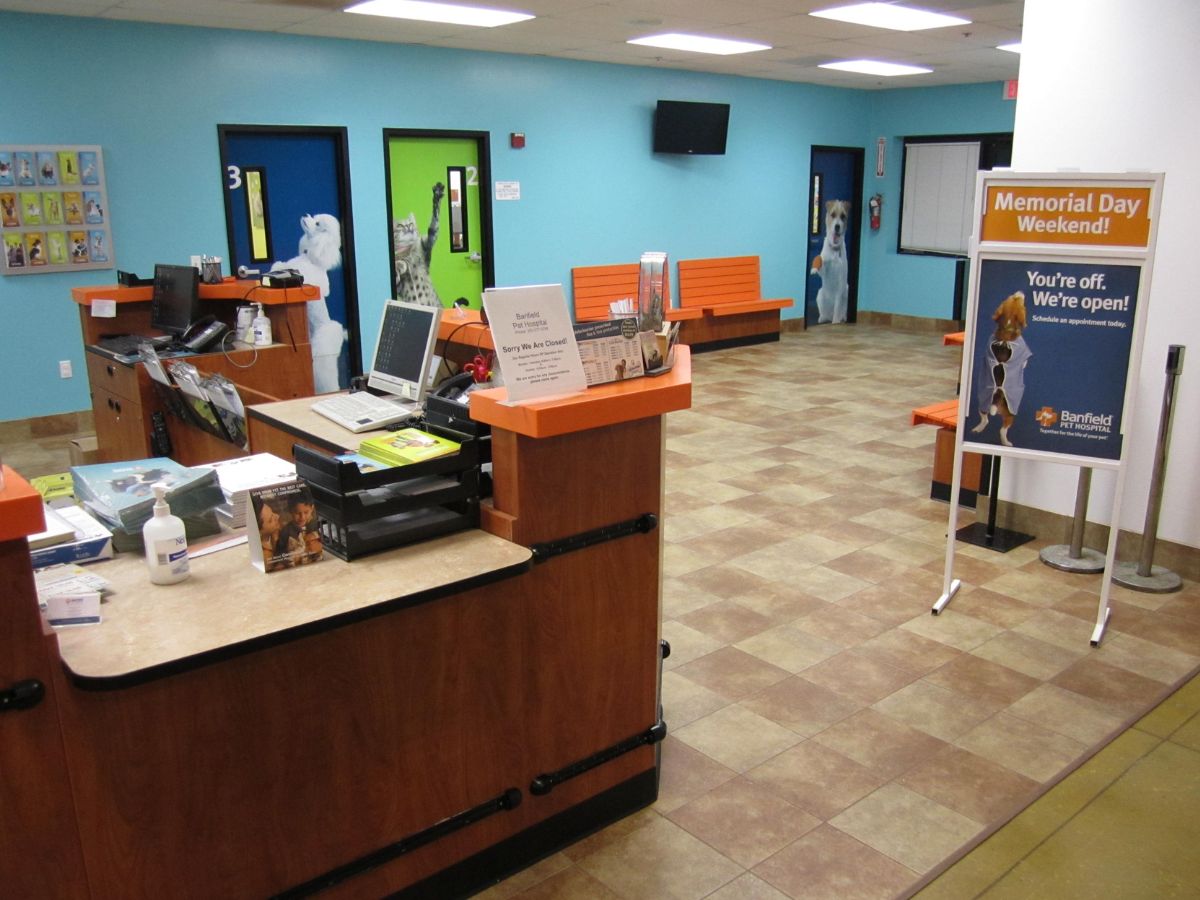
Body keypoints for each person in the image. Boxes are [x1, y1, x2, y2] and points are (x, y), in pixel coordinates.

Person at [277, 497, 321, 565]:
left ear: (312, 509)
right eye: (297, 513)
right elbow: (279, 551)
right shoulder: (285, 531)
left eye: (306, 512)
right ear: (290, 511)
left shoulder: (316, 525)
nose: (302, 517)